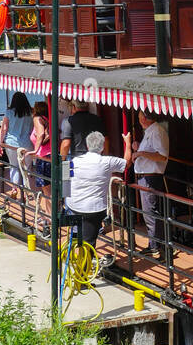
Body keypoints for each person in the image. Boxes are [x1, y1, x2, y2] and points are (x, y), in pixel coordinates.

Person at [64, 128, 132, 250]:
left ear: (87, 145)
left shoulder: (75, 161)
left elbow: (64, 176)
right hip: (94, 209)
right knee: (89, 242)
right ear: (102, 147)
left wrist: (65, 198)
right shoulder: (107, 161)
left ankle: (76, 241)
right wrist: (128, 143)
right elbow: (127, 163)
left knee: (79, 232)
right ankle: (85, 264)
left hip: (74, 205)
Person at [133, 109, 169, 258]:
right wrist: (139, 147)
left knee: (150, 211)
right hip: (146, 176)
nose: (140, 121)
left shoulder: (156, 132)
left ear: (145, 119)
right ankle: (154, 244)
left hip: (150, 177)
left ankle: (156, 246)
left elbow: (161, 156)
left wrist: (140, 153)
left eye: (141, 118)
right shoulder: (152, 131)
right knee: (149, 212)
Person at [0, 92, 34, 187]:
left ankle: (15, 189)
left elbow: (4, 128)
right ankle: (26, 191)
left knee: (14, 167)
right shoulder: (31, 112)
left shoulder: (9, 112)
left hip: (11, 143)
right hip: (27, 143)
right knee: (26, 168)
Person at [30, 103, 52, 187]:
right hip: (51, 154)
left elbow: (41, 134)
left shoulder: (37, 118)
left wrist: (35, 150)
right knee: (50, 185)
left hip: (43, 156)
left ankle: (50, 200)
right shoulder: (47, 119)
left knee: (46, 188)